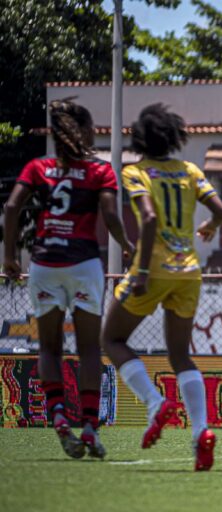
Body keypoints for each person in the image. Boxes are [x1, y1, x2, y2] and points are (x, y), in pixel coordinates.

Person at [3, 99, 133, 459]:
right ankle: (90, 427)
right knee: (89, 348)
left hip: (45, 263)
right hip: (84, 263)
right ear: (87, 132)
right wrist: (127, 245)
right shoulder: (99, 171)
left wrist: (11, 256)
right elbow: (110, 215)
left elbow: (12, 207)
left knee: (49, 347)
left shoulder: (38, 167)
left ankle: (59, 418)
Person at [101, 103, 222, 471]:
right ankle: (201, 431)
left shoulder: (136, 172)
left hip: (152, 269)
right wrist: (210, 228)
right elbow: (221, 210)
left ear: (139, 137)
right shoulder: (189, 170)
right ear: (173, 136)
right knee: (180, 355)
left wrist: (140, 270)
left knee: (111, 340)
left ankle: (156, 403)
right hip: (188, 271)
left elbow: (151, 217)